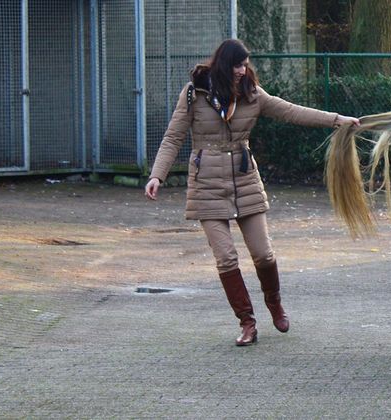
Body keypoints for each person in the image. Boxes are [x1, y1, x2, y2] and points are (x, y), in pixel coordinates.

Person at [144, 39, 359, 347]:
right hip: (206, 186)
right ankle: (247, 322)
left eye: (245, 65)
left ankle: (275, 302)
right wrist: (156, 176)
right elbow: (173, 137)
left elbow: (292, 112)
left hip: (245, 180)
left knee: (263, 254)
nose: (242, 71)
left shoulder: (252, 94)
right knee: (226, 258)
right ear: (222, 65)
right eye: (237, 66)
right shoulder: (194, 93)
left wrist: (338, 121)